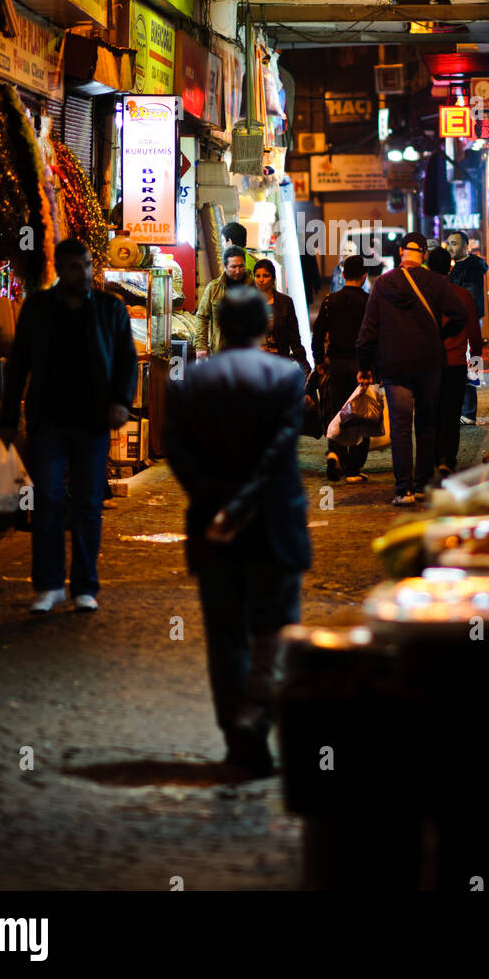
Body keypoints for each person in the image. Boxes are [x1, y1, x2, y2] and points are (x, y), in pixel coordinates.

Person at [165, 288, 310, 776]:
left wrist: (216, 502)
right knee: (273, 629)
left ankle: (235, 734)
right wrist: (245, 503)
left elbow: (176, 450)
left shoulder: (191, 380)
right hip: (275, 522)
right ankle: (257, 721)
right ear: (265, 325)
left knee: (225, 635)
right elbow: (281, 449)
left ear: (221, 324)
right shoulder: (287, 377)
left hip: (213, 524)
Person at [0, 238, 138, 614]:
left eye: (89, 265)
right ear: (60, 269)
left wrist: (122, 403)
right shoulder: (39, 308)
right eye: (77, 267)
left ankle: (84, 586)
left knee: (88, 505)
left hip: (92, 423)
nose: (85, 273)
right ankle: (48, 585)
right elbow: (19, 365)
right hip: (49, 421)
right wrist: (9, 418)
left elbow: (127, 360)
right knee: (47, 502)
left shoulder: (110, 308)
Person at [356, 232, 467, 506]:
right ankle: (421, 486)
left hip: (395, 364)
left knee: (401, 428)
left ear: (401, 252)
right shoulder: (435, 282)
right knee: (427, 424)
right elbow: (461, 315)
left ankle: (403, 489)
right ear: (424, 255)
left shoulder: (382, 285)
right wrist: (440, 334)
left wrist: (364, 365)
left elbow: (368, 330)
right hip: (430, 362)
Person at [311, 253, 370, 484]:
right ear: (364, 277)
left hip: (335, 365)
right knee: (359, 415)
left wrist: (319, 362)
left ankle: (334, 451)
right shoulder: (368, 302)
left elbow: (317, 336)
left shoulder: (329, 301)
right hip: (360, 366)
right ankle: (353, 468)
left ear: (343, 274)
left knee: (337, 412)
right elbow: (375, 336)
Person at [427, 247, 484, 478]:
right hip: (455, 363)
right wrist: (476, 359)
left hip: (427, 364)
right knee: (451, 414)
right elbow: (473, 332)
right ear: (449, 266)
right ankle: (446, 460)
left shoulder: (421, 294)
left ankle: (431, 458)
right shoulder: (462, 295)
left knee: (430, 413)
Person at [446, 230, 489, 424]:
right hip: (466, 319)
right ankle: (467, 409)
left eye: (454, 243)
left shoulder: (470, 267)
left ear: (465, 246)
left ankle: (470, 411)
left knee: (472, 362)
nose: (450, 247)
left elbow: (468, 297)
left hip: (468, 320)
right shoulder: (460, 265)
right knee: (469, 362)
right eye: (448, 243)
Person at [195, 245, 252, 359]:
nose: (238, 271)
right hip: (220, 352)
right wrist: (201, 346)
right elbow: (202, 317)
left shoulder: (253, 287)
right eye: (233, 267)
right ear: (225, 266)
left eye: (241, 266)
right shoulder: (213, 288)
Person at [252, 258, 308, 371]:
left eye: (265, 276)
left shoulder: (285, 302)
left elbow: (294, 337)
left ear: (273, 278)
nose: (261, 280)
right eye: (258, 276)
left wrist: (304, 364)